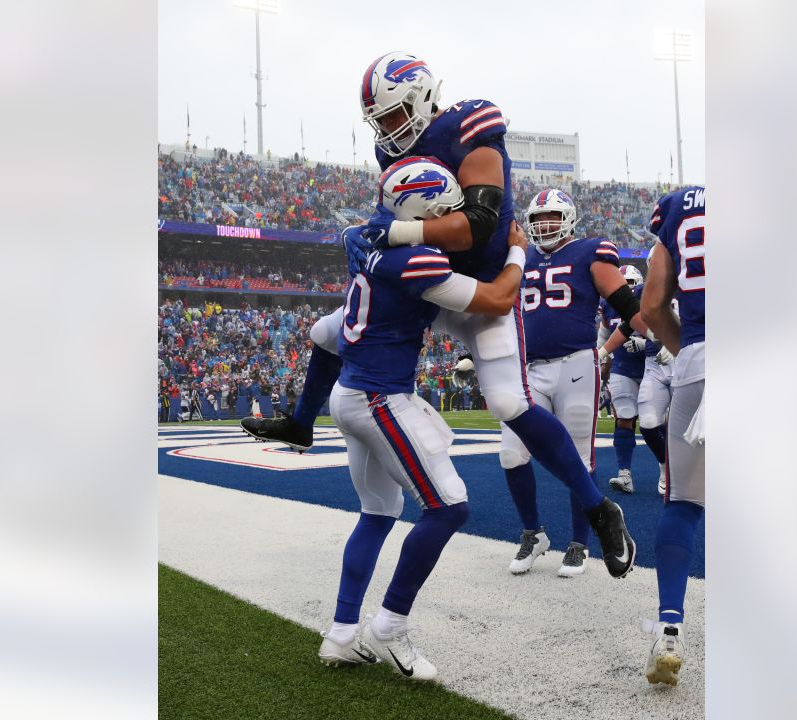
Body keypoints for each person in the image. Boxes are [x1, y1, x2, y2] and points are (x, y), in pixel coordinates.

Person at [243, 52, 638, 578]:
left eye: (392, 115)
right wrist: (371, 234)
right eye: (379, 121)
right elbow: (397, 214)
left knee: (507, 401)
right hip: (431, 283)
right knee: (325, 333)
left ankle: (598, 507)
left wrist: (394, 235)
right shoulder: (393, 151)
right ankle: (300, 423)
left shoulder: (469, 127)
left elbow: (475, 223)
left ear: (422, 97)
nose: (386, 131)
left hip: (486, 283)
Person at [318, 159, 526, 680]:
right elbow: (498, 299)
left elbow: (324, 335)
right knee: (449, 506)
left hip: (352, 391)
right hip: (378, 398)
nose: (455, 214)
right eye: (447, 205)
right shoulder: (414, 261)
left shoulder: (375, 249)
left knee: (378, 512)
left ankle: (342, 633)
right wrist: (518, 251)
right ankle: (388, 625)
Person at [500, 189, 646, 578]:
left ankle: (580, 543)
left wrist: (667, 339)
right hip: (527, 368)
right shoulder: (520, 257)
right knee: (512, 454)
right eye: (539, 218)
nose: (545, 225)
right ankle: (533, 533)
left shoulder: (590, 251)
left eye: (552, 216)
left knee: (579, 457)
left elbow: (631, 309)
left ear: (568, 218)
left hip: (576, 363)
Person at [638, 185, 706, 687]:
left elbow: (653, 304)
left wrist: (689, 352)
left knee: (683, 502)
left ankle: (669, 629)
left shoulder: (684, 205)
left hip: (701, 362)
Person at [597, 261, 674, 495]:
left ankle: (672, 471)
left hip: (654, 364)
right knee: (624, 416)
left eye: (630, 282)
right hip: (624, 367)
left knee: (666, 422)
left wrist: (646, 343)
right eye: (623, 283)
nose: (626, 287)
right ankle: (625, 474)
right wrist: (599, 360)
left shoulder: (650, 296)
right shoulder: (609, 306)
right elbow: (606, 334)